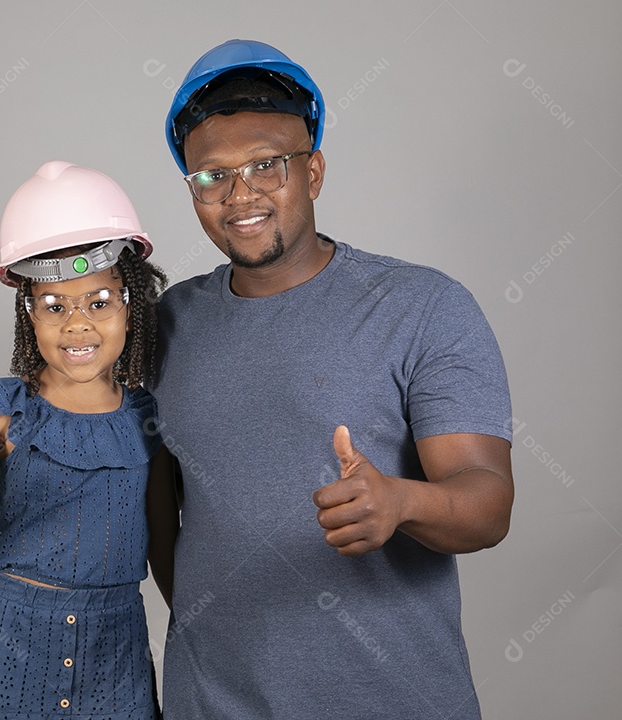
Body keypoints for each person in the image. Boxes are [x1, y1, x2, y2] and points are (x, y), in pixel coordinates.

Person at [144, 39, 515, 718]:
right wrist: (42, 527)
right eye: (213, 175)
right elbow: (152, 508)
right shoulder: (166, 323)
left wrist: (402, 501)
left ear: (312, 171)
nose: (241, 194)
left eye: (266, 164)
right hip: (210, 704)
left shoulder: (421, 306)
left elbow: (488, 504)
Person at [0, 160, 168, 720]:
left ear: (131, 306)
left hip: (117, 648)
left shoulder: (148, 417)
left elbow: (168, 537)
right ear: (28, 314)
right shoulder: (3, 409)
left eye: (99, 301)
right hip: (16, 640)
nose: (77, 324)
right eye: (54, 306)